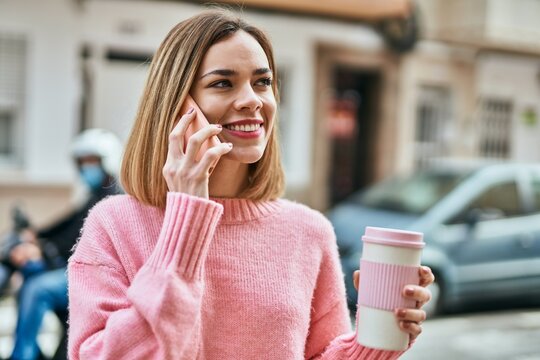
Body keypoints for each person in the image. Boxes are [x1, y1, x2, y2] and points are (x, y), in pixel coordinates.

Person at [68, 9, 434, 360]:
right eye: (223, 83)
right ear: (175, 106)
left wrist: (374, 343)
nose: (252, 101)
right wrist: (186, 223)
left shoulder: (309, 231)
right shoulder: (113, 226)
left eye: (262, 82)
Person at [8, 129, 122, 360]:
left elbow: (81, 238)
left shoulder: (112, 197)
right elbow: (68, 224)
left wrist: (44, 249)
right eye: (82, 162)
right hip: (74, 265)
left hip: (93, 275)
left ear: (107, 160)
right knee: (29, 276)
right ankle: (33, 351)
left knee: (37, 288)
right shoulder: (93, 194)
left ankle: (22, 355)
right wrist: (37, 236)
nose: (86, 167)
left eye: (92, 160)